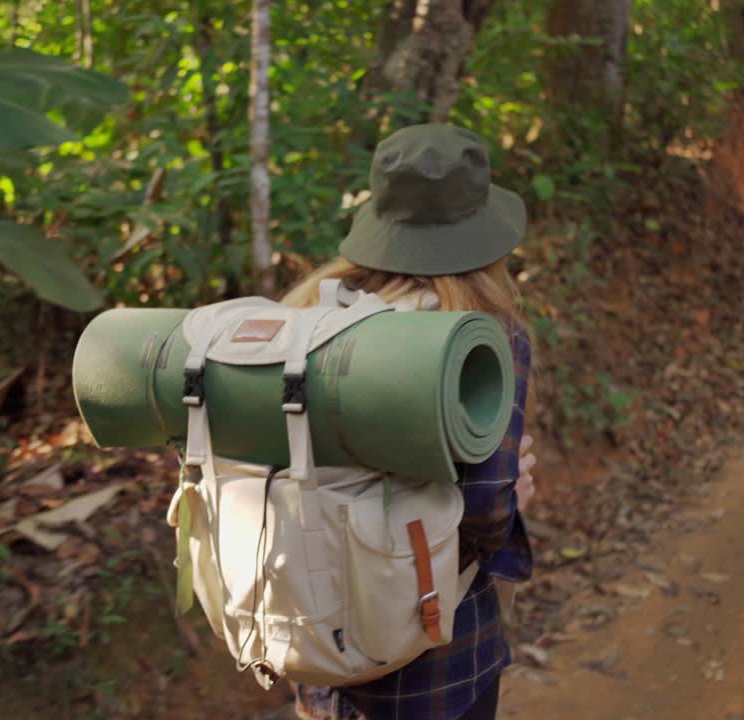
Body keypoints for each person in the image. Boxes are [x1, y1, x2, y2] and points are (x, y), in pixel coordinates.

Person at [283, 123, 538, 720]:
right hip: (436, 666)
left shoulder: (306, 320)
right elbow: (484, 510)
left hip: (319, 645)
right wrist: (513, 497)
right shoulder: (486, 339)